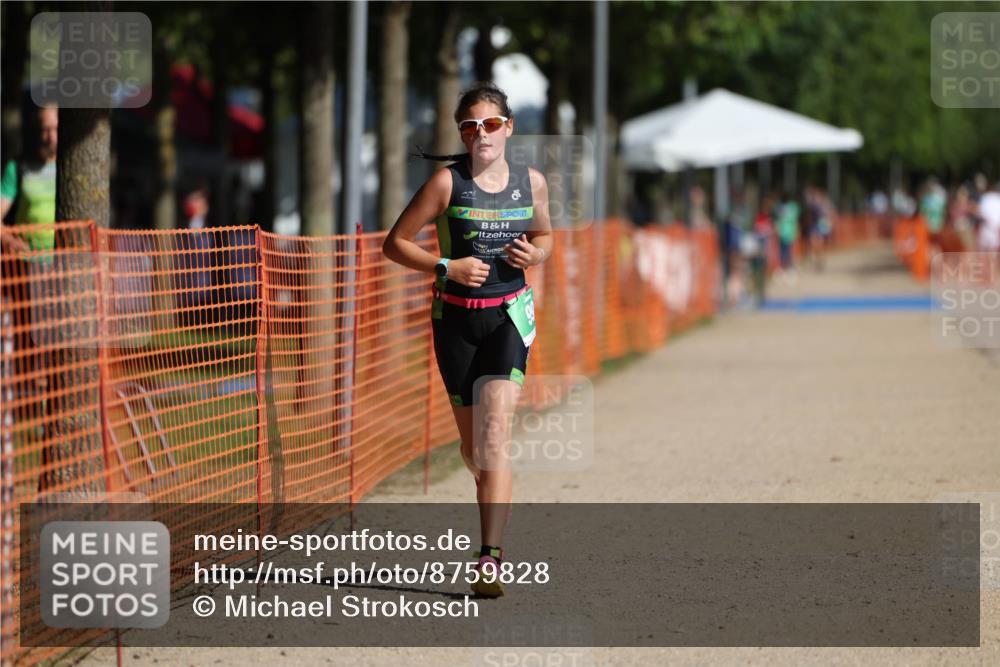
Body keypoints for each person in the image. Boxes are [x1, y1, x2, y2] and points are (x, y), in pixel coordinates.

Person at [382, 83, 553, 598]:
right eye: (471, 126)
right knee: (477, 449)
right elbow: (395, 243)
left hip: (508, 317)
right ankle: (486, 479)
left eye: (492, 124)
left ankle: (489, 558)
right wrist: (446, 266)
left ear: (509, 128)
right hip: (455, 321)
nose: (482, 134)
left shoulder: (532, 183)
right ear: (462, 133)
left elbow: (544, 237)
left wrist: (536, 256)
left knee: (496, 437)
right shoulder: (445, 184)